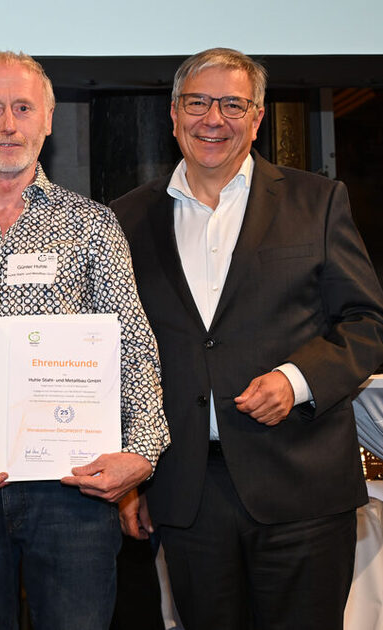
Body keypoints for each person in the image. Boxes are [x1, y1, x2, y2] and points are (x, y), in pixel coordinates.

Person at [0, 50, 169, 629]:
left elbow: (131, 338)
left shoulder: (92, 224)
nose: (9, 124)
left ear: (47, 119)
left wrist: (141, 452)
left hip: (71, 489)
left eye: (23, 108)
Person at [112, 47, 383, 630]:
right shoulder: (127, 219)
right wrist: (131, 478)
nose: (215, 119)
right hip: (186, 493)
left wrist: (298, 379)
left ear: (258, 117)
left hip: (302, 485)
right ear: (174, 112)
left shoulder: (317, 201)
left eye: (233, 104)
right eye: (199, 102)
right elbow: (117, 354)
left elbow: (367, 321)